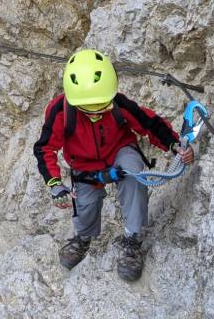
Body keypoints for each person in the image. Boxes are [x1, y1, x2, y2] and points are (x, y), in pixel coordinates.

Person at [32, 49, 196, 282]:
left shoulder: (118, 102)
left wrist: (174, 145)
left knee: (134, 174)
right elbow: (45, 148)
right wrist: (55, 184)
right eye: (90, 108)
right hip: (84, 164)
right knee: (85, 203)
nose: (98, 112)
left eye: (103, 105)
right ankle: (83, 237)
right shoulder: (61, 110)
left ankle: (132, 239)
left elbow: (149, 123)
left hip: (120, 151)